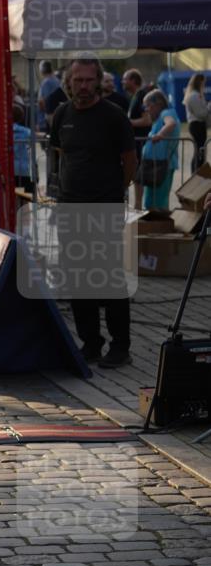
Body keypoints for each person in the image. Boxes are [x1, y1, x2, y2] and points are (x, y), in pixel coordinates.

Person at [49, 55, 137, 368]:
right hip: (70, 208)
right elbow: (62, 154)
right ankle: (90, 343)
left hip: (104, 209)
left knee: (109, 278)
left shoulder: (113, 116)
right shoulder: (62, 114)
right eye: (78, 80)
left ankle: (120, 346)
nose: (84, 86)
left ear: (98, 81)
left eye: (89, 80)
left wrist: (115, 192)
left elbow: (130, 160)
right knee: (78, 278)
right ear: (69, 82)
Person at [141, 89, 181, 211]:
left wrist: (159, 135)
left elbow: (171, 123)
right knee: (152, 200)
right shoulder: (160, 116)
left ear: (158, 104)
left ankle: (160, 221)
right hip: (155, 165)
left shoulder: (166, 113)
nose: (146, 109)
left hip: (163, 165)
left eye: (148, 105)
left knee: (159, 202)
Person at [122, 68, 151, 210]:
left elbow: (147, 120)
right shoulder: (134, 96)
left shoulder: (142, 95)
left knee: (139, 176)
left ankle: (138, 205)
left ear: (133, 80)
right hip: (136, 143)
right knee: (136, 176)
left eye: (125, 79)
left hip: (142, 143)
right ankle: (137, 205)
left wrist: (127, 122)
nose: (122, 82)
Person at [183, 72, 209, 172]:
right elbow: (201, 113)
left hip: (198, 125)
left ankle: (199, 172)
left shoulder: (196, 95)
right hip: (197, 125)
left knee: (200, 150)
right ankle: (196, 173)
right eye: (203, 83)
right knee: (199, 151)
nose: (204, 85)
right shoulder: (194, 96)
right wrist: (209, 108)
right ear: (199, 82)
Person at [13, 104, 34, 196]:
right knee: (27, 196)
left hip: (9, 170)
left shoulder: (2, 131)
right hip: (24, 170)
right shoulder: (26, 131)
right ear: (21, 117)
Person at [37, 60, 60, 132]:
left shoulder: (46, 83)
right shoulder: (57, 81)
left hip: (45, 120)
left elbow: (43, 102)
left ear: (42, 70)